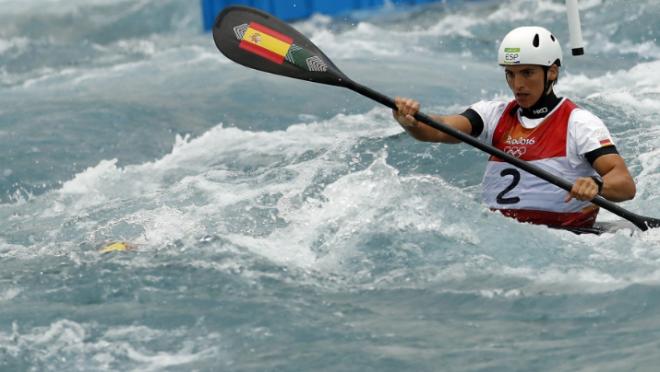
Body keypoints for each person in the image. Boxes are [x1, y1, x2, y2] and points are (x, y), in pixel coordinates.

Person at [392, 26, 636, 229]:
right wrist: (411, 121)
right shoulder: (492, 114)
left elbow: (625, 184)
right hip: (502, 237)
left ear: (551, 72)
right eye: (510, 74)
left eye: (527, 73)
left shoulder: (579, 123)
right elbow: (440, 128)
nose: (517, 84)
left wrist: (597, 185)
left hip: (568, 236)